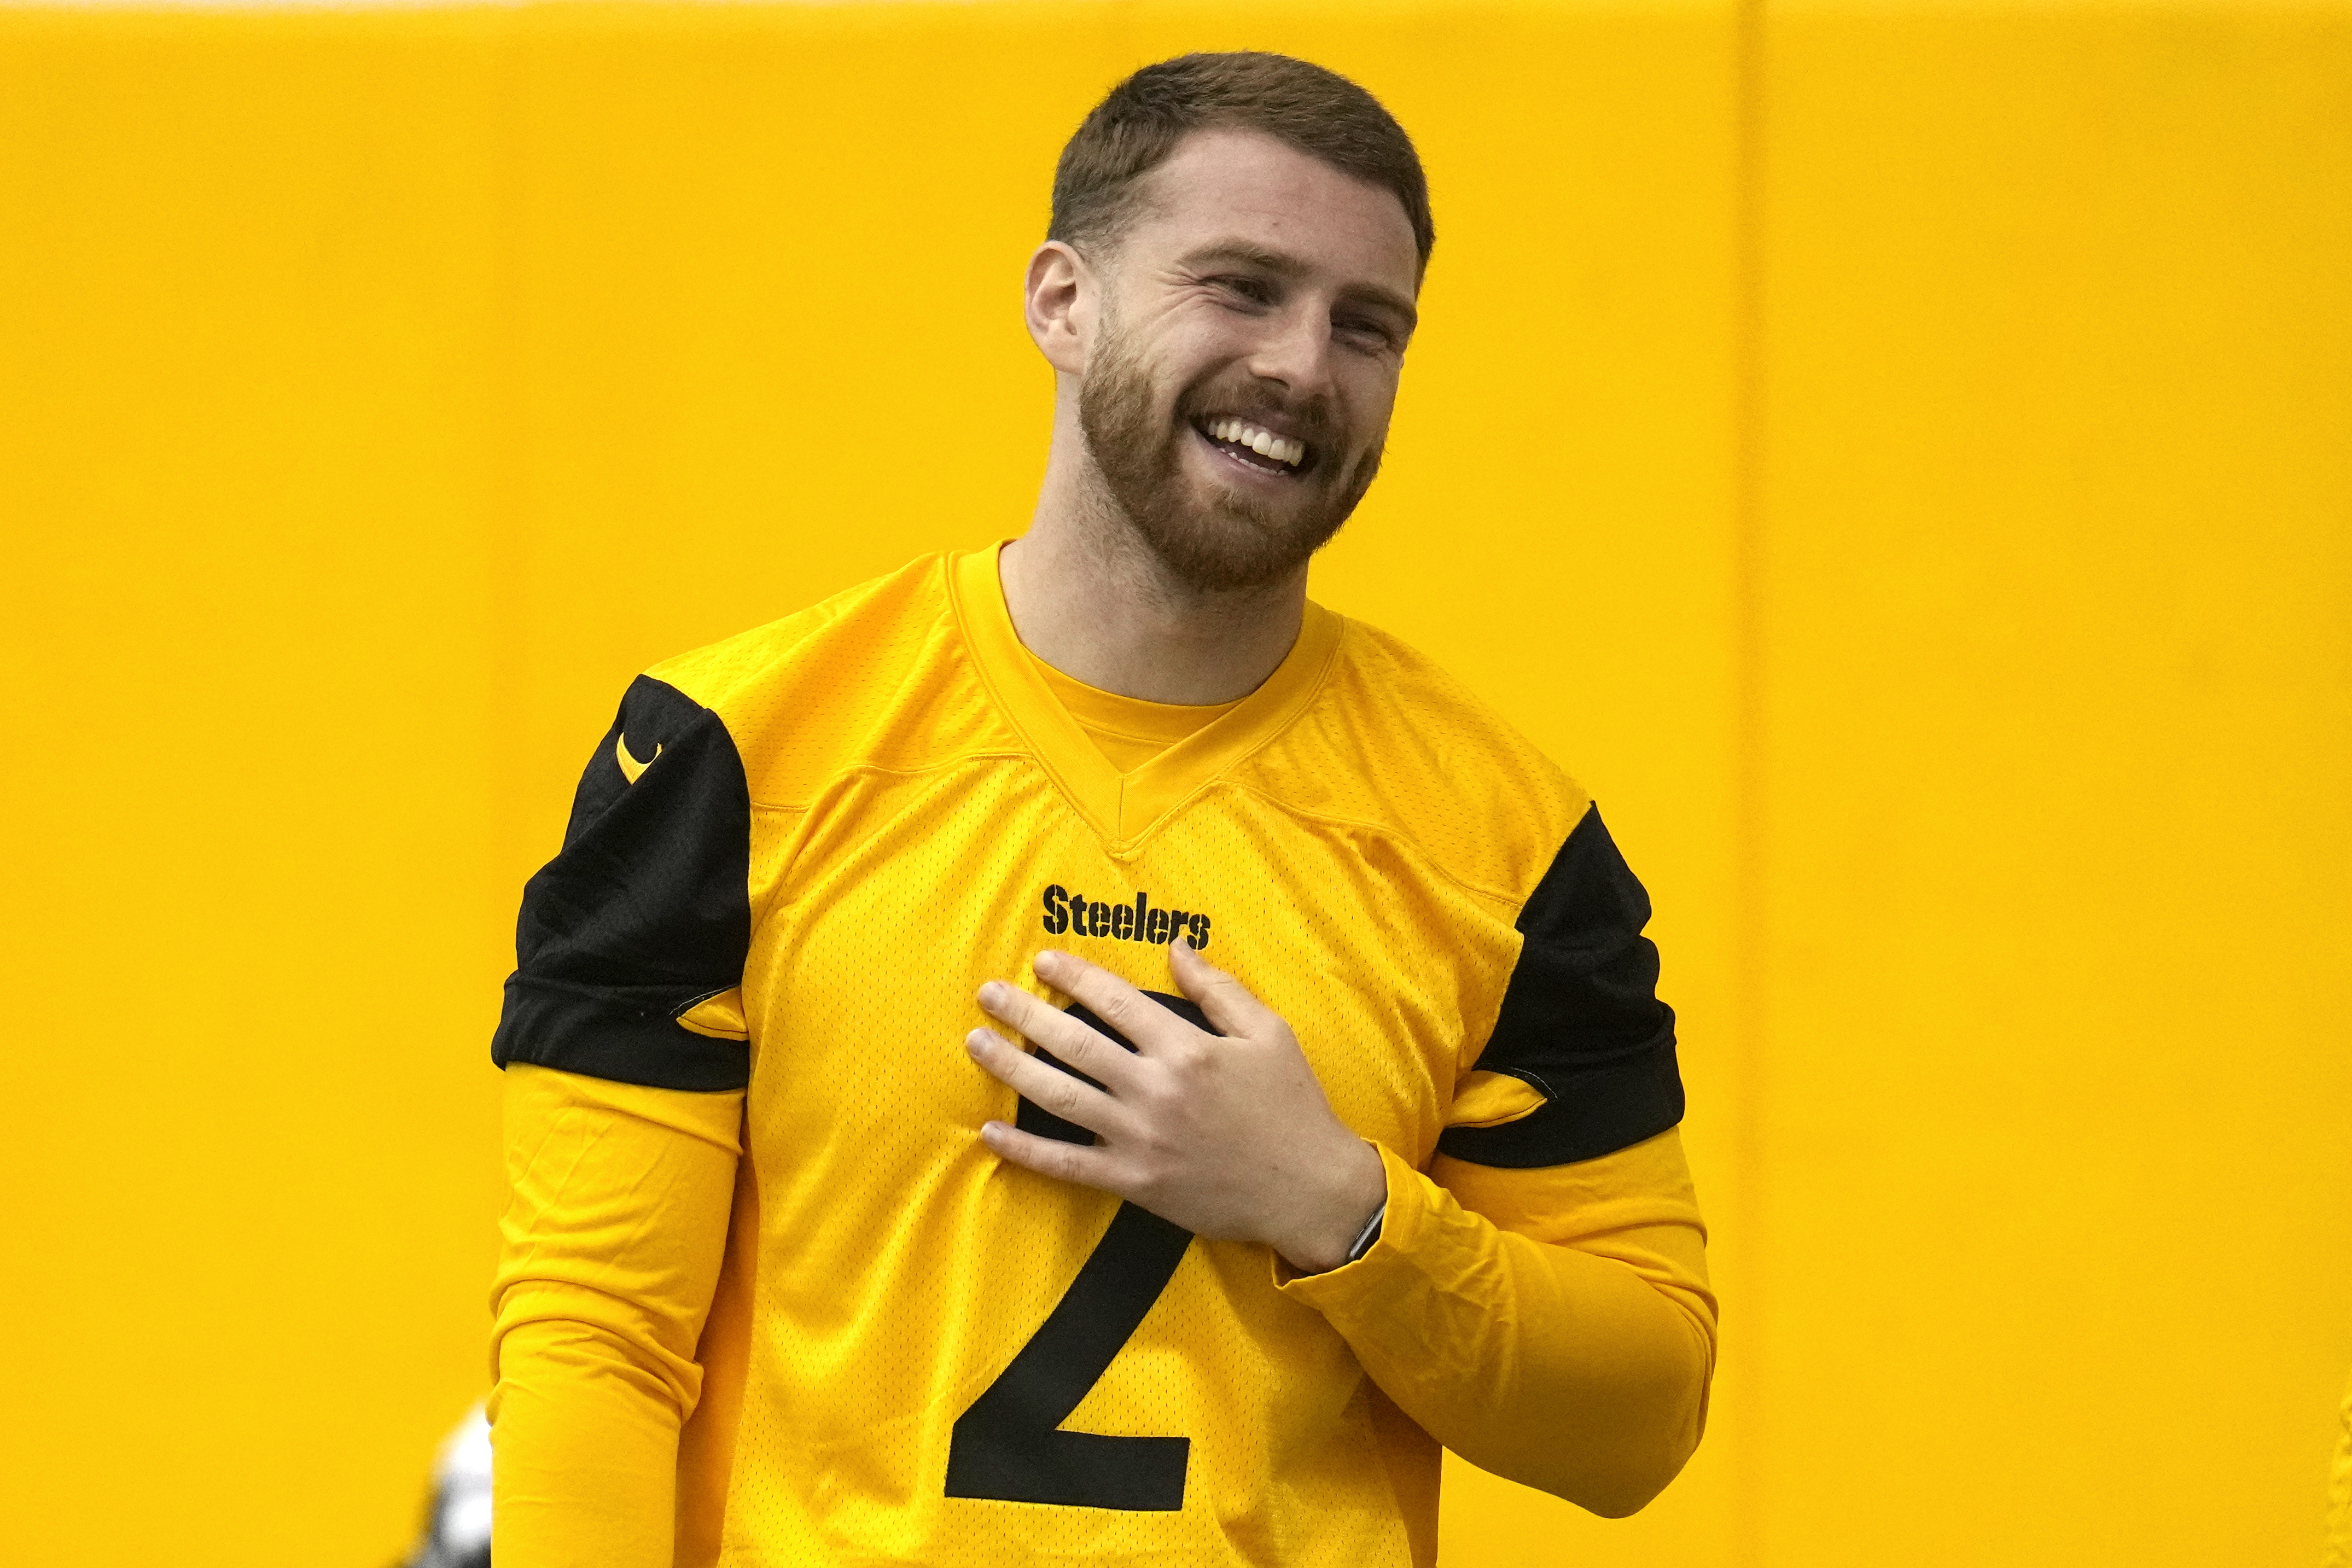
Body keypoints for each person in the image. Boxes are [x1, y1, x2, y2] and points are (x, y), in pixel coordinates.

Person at [487, 51, 1716, 1568]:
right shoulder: (735, 752)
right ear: (1061, 301)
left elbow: (1640, 1415)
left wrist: (1339, 1208)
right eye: (1243, 287)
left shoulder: (1505, 844)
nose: (1302, 367)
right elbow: (593, 1342)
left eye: (1366, 325)